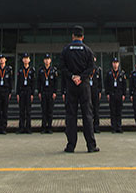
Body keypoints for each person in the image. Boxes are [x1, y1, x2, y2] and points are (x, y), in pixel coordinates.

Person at [59, 25, 99, 153]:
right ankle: (91, 146)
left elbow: (62, 67)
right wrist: (81, 77)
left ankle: (71, 146)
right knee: (87, 115)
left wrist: (72, 77)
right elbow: (92, 67)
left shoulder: (66, 50)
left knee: (71, 115)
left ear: (73, 36)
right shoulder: (87, 50)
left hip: (71, 85)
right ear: (83, 37)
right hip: (84, 86)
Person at [104, 56, 126, 133]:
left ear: (118, 64)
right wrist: (107, 93)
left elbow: (124, 85)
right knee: (112, 111)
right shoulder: (109, 73)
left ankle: (119, 127)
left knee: (119, 112)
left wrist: (124, 94)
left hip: (119, 94)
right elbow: (106, 84)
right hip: (112, 94)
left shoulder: (122, 73)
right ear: (112, 64)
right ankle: (113, 127)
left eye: (116, 63)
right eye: (114, 63)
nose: (115, 65)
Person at [37, 53, 58, 134]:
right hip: (43, 92)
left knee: (50, 110)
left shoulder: (53, 70)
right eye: (45, 59)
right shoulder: (41, 70)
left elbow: (56, 82)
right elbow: (38, 82)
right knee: (44, 110)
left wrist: (55, 92)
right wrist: (39, 92)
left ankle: (49, 127)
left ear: (50, 60)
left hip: (50, 92)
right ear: (44, 60)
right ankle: (43, 127)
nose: (46, 61)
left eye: (48, 59)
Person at [0, 54, 13, 135]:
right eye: (0, 59)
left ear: (5, 60)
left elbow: (10, 82)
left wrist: (10, 92)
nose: (1, 60)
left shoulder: (8, 70)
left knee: (4, 111)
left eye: (3, 59)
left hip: (5, 92)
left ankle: (4, 128)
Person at [16, 52, 35, 134]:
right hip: (22, 91)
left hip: (28, 91)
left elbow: (34, 83)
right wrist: (17, 93)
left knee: (28, 111)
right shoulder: (20, 70)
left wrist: (32, 94)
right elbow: (18, 83)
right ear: (22, 60)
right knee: (21, 111)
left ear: (29, 60)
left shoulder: (32, 70)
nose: (25, 60)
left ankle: (28, 128)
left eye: (27, 58)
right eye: (24, 58)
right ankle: (21, 127)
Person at [89, 56, 103, 133]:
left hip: (95, 92)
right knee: (88, 111)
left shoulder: (98, 70)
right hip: (88, 92)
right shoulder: (86, 70)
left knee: (96, 111)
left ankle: (96, 127)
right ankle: (89, 128)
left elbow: (100, 82)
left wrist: (100, 91)